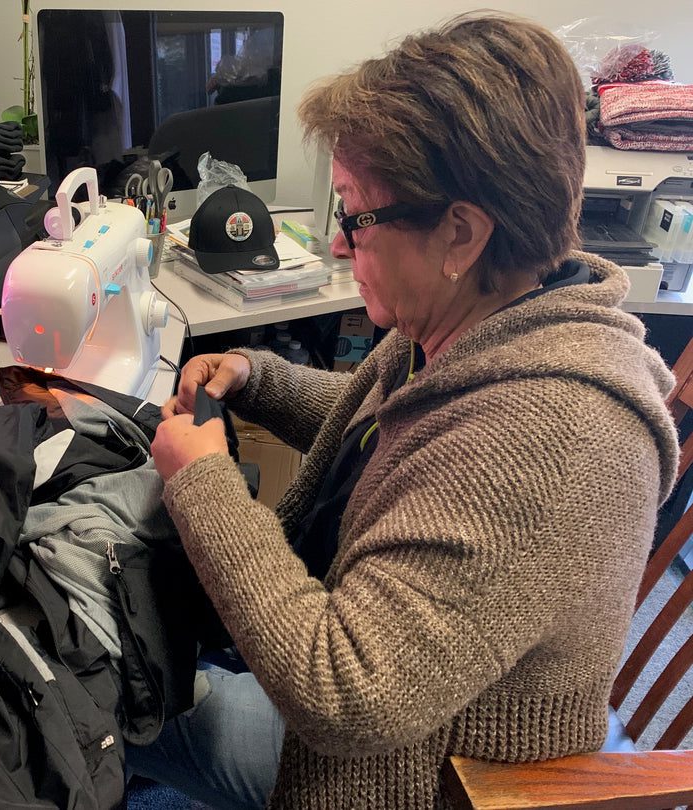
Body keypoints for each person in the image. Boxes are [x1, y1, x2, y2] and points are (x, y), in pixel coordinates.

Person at [128, 13, 679, 810]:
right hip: (409, 690)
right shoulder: (489, 321)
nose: (341, 245)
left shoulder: (545, 441)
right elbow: (396, 437)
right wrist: (256, 376)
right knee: (145, 642)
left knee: (113, 686)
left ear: (461, 232)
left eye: (355, 214)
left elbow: (343, 697)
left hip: (414, 775)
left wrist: (204, 482)